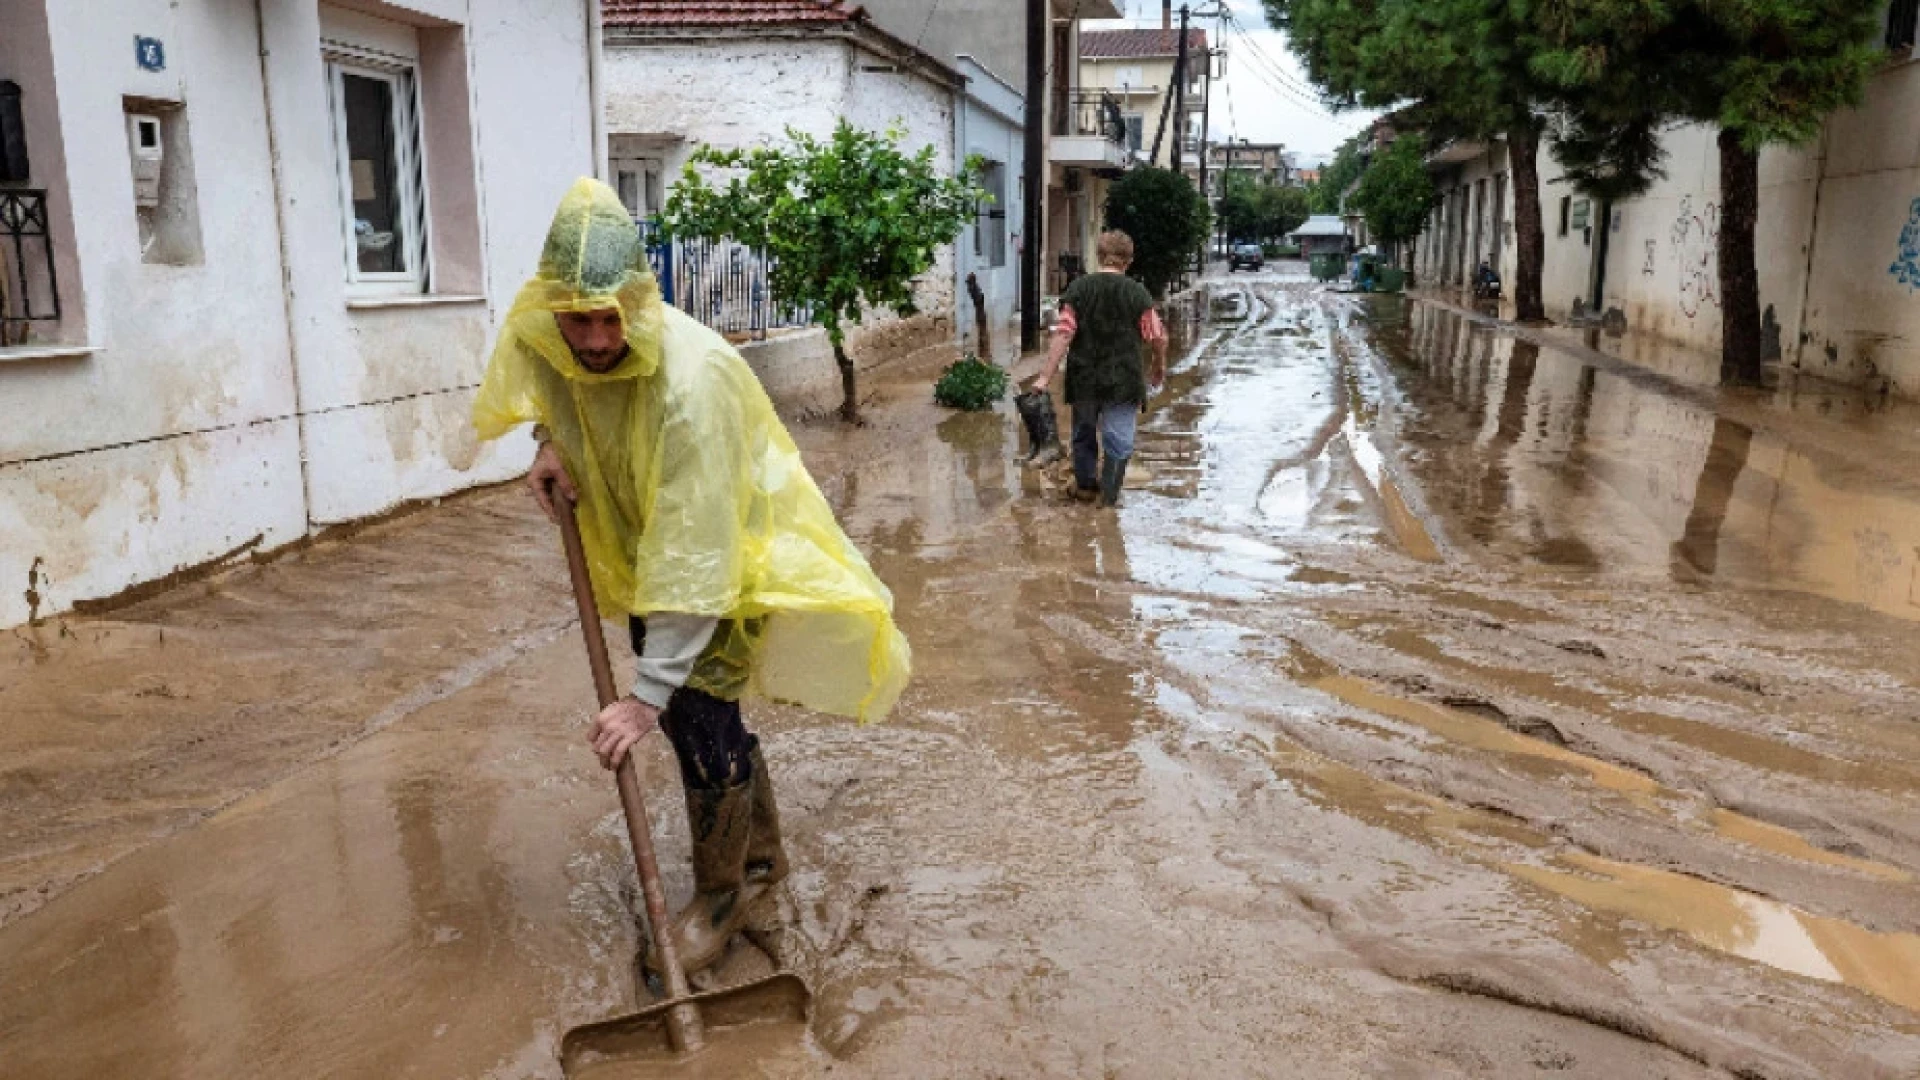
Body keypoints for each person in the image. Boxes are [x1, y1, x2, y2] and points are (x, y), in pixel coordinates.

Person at [472, 178, 911, 977]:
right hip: (659, 562)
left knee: (694, 722)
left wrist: (644, 695)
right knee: (699, 718)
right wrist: (550, 444)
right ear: (553, 310)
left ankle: (720, 896)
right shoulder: (558, 342)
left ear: (639, 302)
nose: (597, 338)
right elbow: (566, 397)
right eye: (579, 318)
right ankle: (763, 862)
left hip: (726, 562)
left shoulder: (692, 382)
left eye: (611, 319)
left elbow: (697, 550)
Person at [1030, 230, 1169, 507]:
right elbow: (1158, 336)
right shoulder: (1137, 293)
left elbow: (1064, 334)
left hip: (1085, 378)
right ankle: (1108, 498)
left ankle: (1084, 489)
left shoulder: (1079, 289)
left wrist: (1045, 376)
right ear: (1128, 261)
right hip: (1124, 379)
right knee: (1119, 440)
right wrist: (1158, 365)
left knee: (1083, 432)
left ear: (1099, 256)